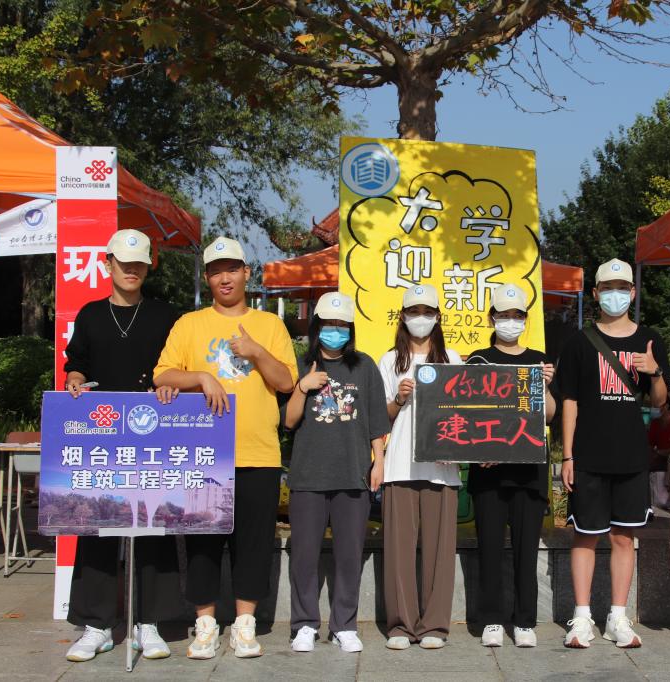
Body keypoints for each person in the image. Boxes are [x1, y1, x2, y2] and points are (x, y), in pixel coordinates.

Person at [154, 236, 297, 660]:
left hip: (258, 453)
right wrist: (201, 377)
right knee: (202, 543)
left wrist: (255, 352)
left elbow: (286, 381)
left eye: (232, 269)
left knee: (253, 544)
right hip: (204, 455)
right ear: (207, 278)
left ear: (246, 273)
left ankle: (245, 625)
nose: (225, 278)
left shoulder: (269, 325)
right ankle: (205, 625)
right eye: (216, 271)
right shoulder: (189, 324)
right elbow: (163, 375)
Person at [62, 229, 181, 663]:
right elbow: (76, 364)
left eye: (139, 264)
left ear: (149, 267)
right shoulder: (91, 314)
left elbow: (178, 366)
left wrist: (170, 384)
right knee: (97, 524)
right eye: (123, 262)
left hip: (155, 437)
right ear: (107, 262)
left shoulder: (167, 315)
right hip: (103, 437)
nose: (131, 270)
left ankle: (149, 622)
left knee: (152, 524)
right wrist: (75, 380)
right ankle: (96, 625)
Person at [557, 258, 669, 649]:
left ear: (633, 293)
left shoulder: (649, 339)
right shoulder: (579, 341)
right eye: (607, 287)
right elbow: (569, 400)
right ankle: (582, 617)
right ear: (595, 293)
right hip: (588, 455)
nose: (615, 294)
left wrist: (655, 371)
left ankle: (618, 616)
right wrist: (567, 455)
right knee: (585, 536)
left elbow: (660, 403)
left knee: (624, 538)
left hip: (631, 456)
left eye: (622, 287)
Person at [285, 292, 389, 654]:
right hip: (308, 476)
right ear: (317, 327)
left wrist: (378, 461)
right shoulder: (302, 364)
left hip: (353, 474)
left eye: (342, 325)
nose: (335, 331)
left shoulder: (365, 366)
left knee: (349, 555)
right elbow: (289, 421)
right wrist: (303, 387)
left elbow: (377, 420)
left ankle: (344, 625)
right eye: (329, 324)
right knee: (304, 554)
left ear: (350, 329)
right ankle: (304, 624)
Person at [465, 283, 557, 649]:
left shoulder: (538, 360)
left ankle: (524, 621)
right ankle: (490, 619)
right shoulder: (478, 360)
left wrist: (545, 386)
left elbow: (548, 415)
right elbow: (468, 413)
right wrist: (483, 446)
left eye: (517, 315)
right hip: (488, 470)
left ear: (525, 319)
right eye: (503, 315)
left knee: (526, 549)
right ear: (492, 318)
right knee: (488, 547)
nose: (510, 321)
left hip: (528, 470)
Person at [379, 284, 462, 651]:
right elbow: (380, 418)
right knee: (398, 550)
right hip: (399, 465)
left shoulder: (453, 359)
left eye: (428, 311)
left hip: (441, 469)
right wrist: (399, 398)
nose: (421, 318)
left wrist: (455, 449)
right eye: (414, 311)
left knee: (439, 551)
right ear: (403, 316)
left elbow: (465, 414)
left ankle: (434, 625)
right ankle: (401, 625)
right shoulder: (388, 361)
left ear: (438, 317)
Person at [648, 390, 670, 510]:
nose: (654, 409)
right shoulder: (655, 422)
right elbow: (650, 445)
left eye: (657, 406)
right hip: (659, 458)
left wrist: (660, 452)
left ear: (666, 406)